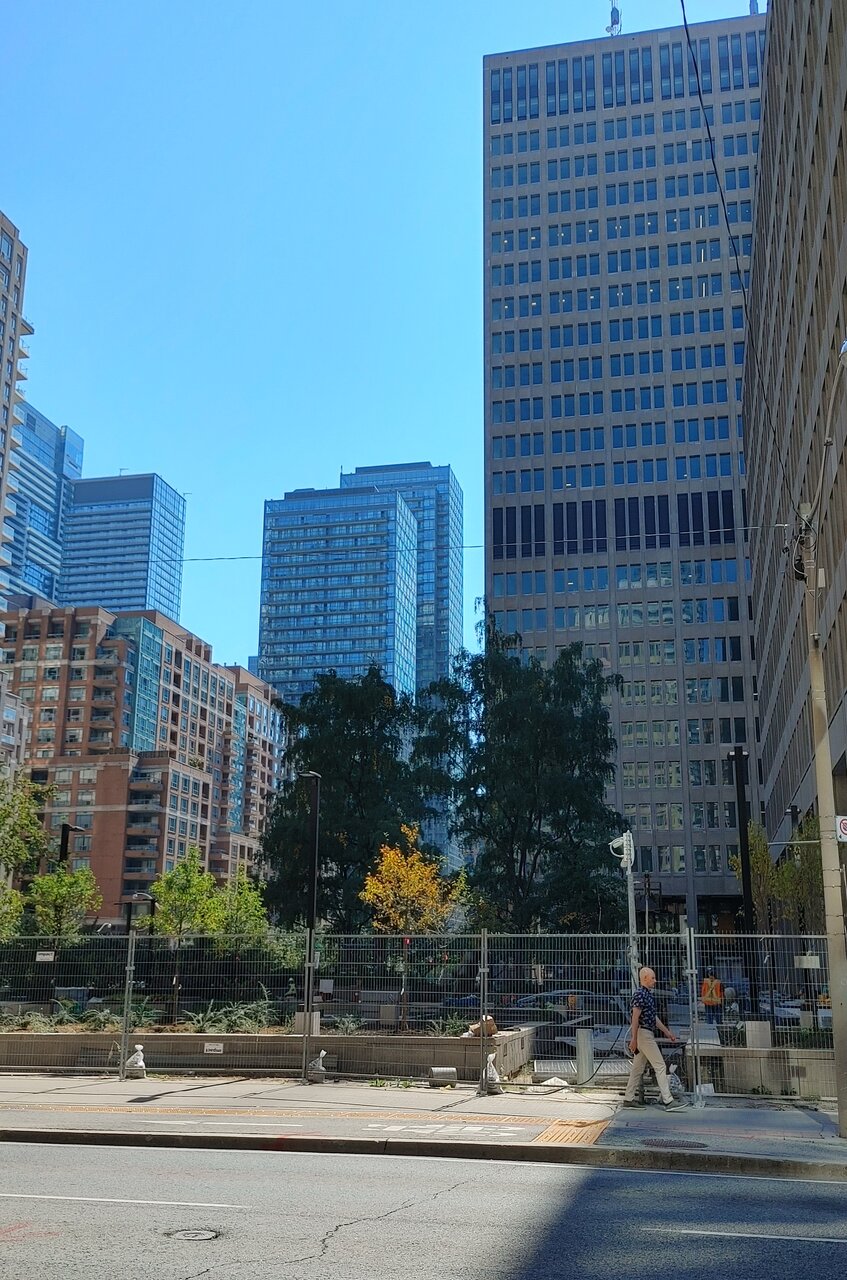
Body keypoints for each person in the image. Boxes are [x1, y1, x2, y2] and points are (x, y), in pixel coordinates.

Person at [622, 965, 688, 1110]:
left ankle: (628, 1098)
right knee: (660, 1066)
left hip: (643, 1034)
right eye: (652, 978)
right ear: (645, 978)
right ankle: (668, 1100)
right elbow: (635, 1017)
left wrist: (667, 1032)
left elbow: (652, 1017)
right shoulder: (641, 994)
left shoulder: (645, 994)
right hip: (644, 1035)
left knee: (637, 1068)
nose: (655, 980)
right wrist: (634, 1038)